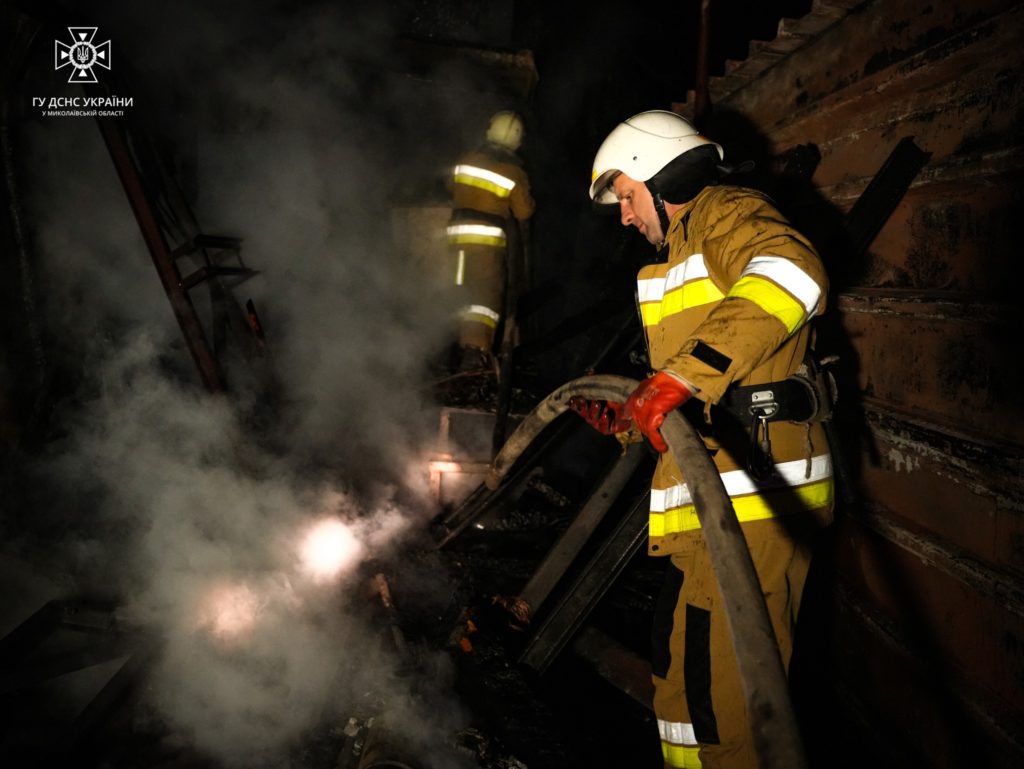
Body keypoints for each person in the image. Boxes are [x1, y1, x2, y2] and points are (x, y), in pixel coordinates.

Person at [571, 110, 835, 768]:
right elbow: (693, 389)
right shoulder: (680, 254)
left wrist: (678, 380)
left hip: (757, 502)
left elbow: (792, 273)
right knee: (681, 685)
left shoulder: (726, 211)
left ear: (659, 175)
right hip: (714, 507)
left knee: (728, 705)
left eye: (627, 197)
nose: (626, 218)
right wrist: (636, 419)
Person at [447, 110, 535, 372]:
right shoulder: (513, 172)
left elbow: (454, 188)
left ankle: (456, 348)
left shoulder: (466, 159)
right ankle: (475, 356)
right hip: (486, 243)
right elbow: (525, 211)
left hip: (457, 239)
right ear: (517, 140)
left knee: (461, 292)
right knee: (483, 298)